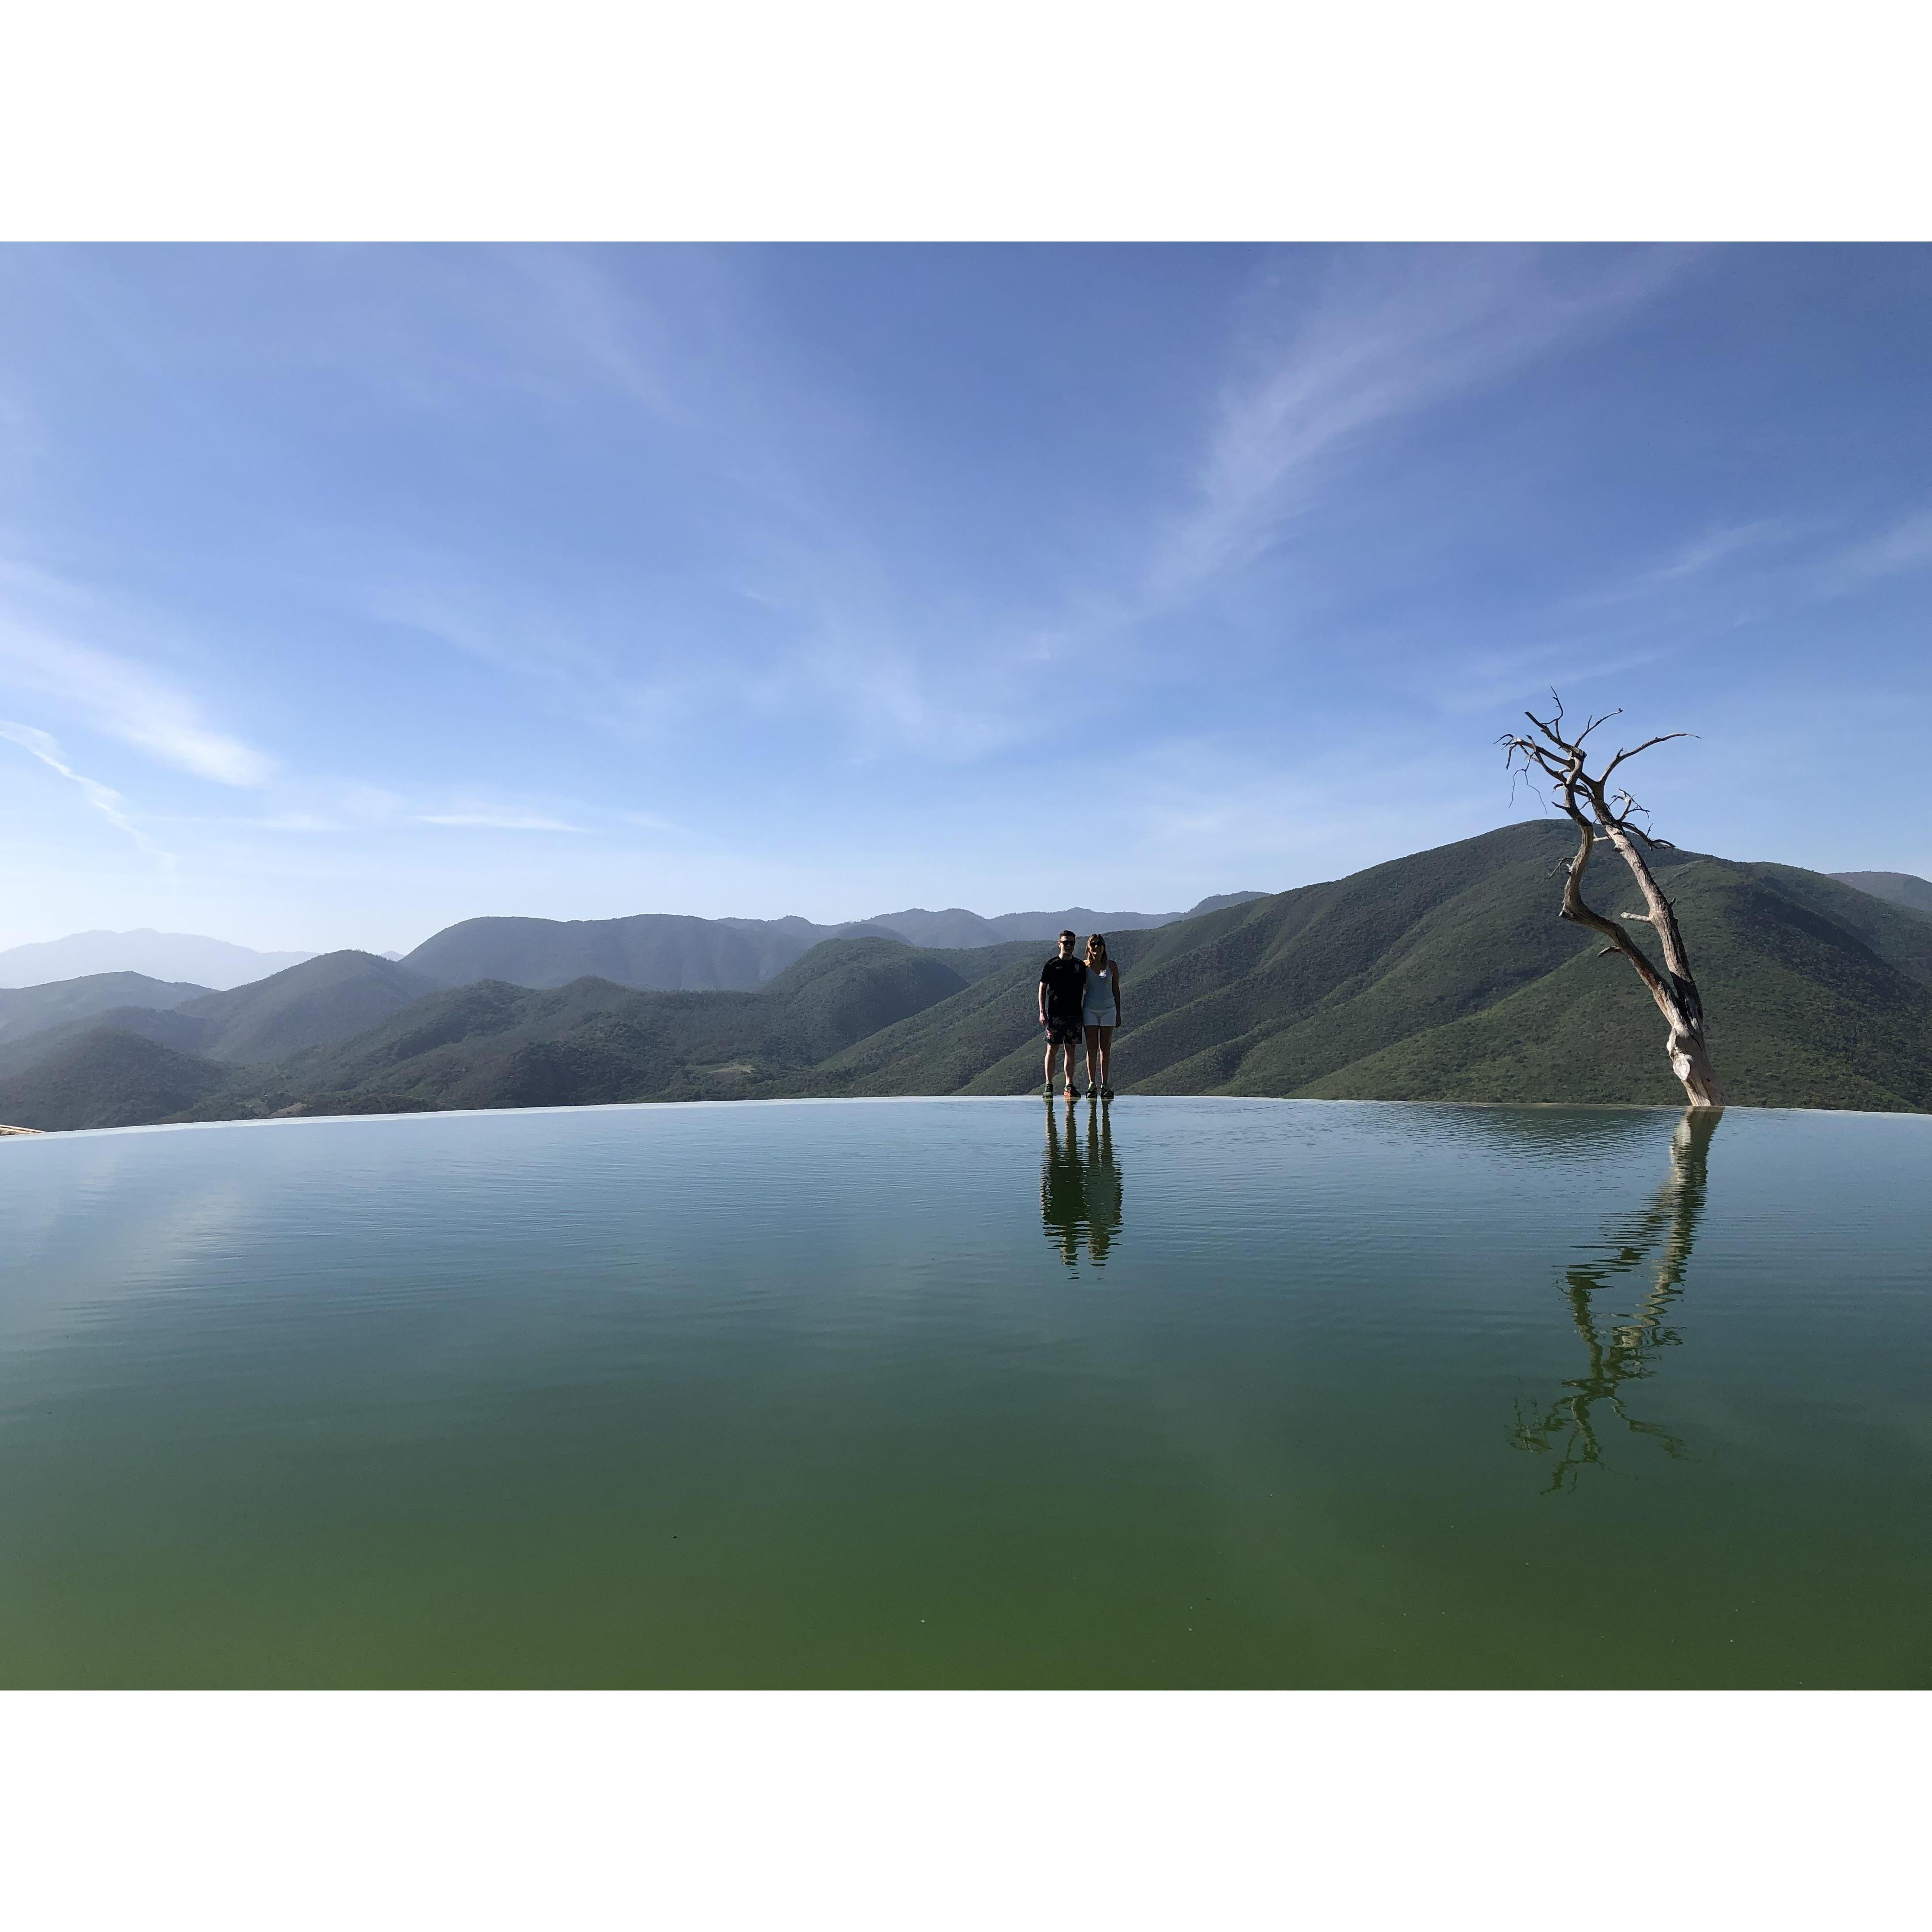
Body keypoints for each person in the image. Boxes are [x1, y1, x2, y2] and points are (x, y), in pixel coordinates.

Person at [1038, 928, 1087, 1100]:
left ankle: (1069, 1085)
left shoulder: (1080, 966)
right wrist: (1042, 1011)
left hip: (1074, 1014)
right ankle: (1049, 1085)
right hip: (1055, 1015)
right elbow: (1042, 987)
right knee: (1052, 1048)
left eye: (1072, 943)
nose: (1069, 946)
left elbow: (1087, 988)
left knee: (1071, 1049)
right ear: (1059, 944)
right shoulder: (1051, 965)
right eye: (1066, 943)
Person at [1081, 932, 1122, 1100]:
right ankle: (1092, 1084)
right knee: (1091, 1048)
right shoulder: (1084, 967)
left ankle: (1105, 1084)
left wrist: (1119, 1013)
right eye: (1093, 944)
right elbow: (1080, 989)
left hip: (1108, 1010)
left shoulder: (1112, 966)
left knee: (1105, 1048)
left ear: (1104, 947)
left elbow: (1116, 990)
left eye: (1099, 944)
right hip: (1089, 1010)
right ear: (1089, 948)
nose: (1096, 947)